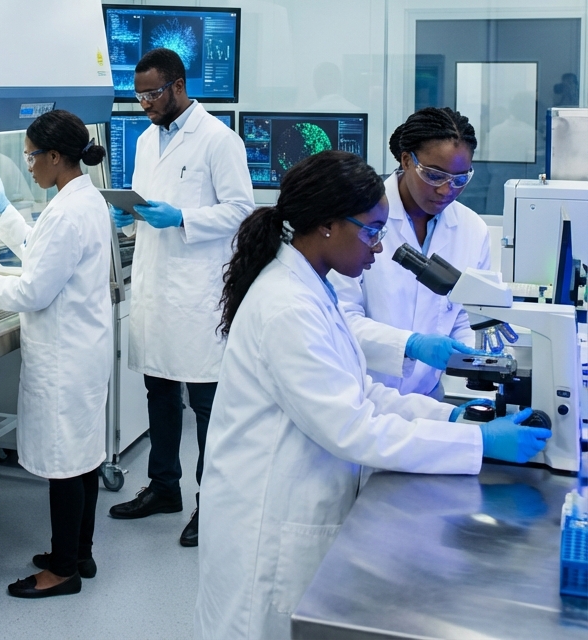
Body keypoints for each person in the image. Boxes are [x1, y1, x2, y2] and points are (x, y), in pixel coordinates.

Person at [194, 150, 550, 640]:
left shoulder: (312, 287)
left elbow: (361, 391)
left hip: (302, 495)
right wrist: (478, 443)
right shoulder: (287, 307)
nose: (379, 248)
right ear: (326, 226)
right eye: (372, 232)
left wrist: (452, 419)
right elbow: (354, 428)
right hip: (267, 519)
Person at [0, 110, 112, 599]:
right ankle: (79, 553)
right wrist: (3, 212)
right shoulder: (84, 199)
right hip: (83, 351)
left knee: (65, 464)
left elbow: (34, 290)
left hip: (65, 357)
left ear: (55, 156)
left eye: (31, 157)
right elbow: (42, 252)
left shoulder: (65, 212)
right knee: (84, 457)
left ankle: (61, 571)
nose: (29, 166)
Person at [108, 47, 254, 547]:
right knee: (160, 393)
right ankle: (163, 487)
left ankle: (210, 503)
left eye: (152, 93)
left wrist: (184, 217)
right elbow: (147, 206)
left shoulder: (219, 140)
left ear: (177, 85)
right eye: (138, 96)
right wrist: (130, 216)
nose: (145, 104)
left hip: (198, 291)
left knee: (206, 404)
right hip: (156, 286)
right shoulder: (146, 140)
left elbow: (241, 211)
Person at [335, 107, 491, 398]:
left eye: (459, 179)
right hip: (358, 392)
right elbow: (340, 319)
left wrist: (475, 358)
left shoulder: (473, 229)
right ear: (407, 161)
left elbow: (466, 315)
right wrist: (410, 345)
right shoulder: (357, 218)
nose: (446, 190)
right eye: (434, 175)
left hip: (427, 395)